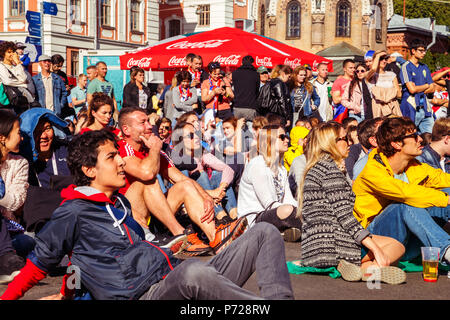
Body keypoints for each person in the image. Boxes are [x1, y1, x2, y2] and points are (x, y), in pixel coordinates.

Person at [0, 129, 294, 300]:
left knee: (264, 233)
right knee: (193, 272)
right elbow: (41, 265)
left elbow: (80, 262)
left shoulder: (120, 207)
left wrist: (66, 293)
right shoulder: (72, 211)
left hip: (171, 276)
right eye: (112, 157)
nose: (121, 161)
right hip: (145, 294)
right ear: (90, 171)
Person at [117, 107, 247, 256]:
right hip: (131, 217)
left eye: (148, 121)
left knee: (186, 185)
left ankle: (216, 237)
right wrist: (155, 149)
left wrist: (206, 196)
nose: (149, 126)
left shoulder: (153, 150)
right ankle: (181, 236)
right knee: (147, 181)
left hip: (156, 215)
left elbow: (180, 178)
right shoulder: (122, 148)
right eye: (143, 122)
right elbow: (146, 173)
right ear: (126, 130)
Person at [298, 121, 406, 284]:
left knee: (390, 258)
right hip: (334, 246)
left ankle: (365, 269)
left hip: (313, 249)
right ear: (330, 143)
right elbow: (346, 218)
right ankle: (371, 270)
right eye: (344, 138)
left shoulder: (315, 169)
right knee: (396, 247)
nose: (349, 142)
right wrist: (375, 249)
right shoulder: (330, 171)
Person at [353, 116, 450, 266]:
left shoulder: (413, 166)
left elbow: (441, 178)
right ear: (397, 144)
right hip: (375, 240)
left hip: (408, 239)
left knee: (447, 192)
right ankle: (447, 251)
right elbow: (406, 193)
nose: (421, 139)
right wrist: (446, 199)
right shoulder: (372, 171)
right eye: (414, 136)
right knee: (404, 205)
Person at [237, 124, 301, 242]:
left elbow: (289, 199)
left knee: (300, 208)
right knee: (288, 210)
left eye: (287, 136)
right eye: (282, 137)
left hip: (274, 215)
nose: (287, 140)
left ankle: (288, 231)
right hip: (253, 220)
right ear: (269, 141)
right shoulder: (258, 165)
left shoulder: (281, 169)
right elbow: (269, 204)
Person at [19, 108, 72, 233]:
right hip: (38, 225)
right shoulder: (22, 161)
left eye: (47, 128)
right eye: (37, 132)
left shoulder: (66, 151)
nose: (44, 136)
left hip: (69, 216)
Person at [172, 122, 237, 221]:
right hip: (186, 204)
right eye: (191, 136)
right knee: (201, 174)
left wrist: (220, 189)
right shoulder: (177, 159)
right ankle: (221, 216)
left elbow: (227, 169)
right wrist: (211, 193)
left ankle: (234, 215)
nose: (197, 138)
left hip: (207, 195)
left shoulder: (201, 153)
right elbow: (184, 191)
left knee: (219, 176)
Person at [0, 110, 35, 259]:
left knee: (26, 242)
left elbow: (16, 201)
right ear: (2, 138)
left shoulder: (20, 163)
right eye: (18, 133)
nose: (21, 138)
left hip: (8, 229)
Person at [400, 39, 435, 134]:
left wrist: (418, 88)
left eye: (425, 51)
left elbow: (432, 87)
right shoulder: (406, 66)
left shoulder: (425, 67)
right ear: (413, 51)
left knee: (430, 138)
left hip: (425, 108)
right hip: (411, 107)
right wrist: (426, 86)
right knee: (410, 136)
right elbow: (411, 90)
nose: (423, 53)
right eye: (421, 50)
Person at [0, 41, 36, 114]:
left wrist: (18, 63)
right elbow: (7, 81)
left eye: (13, 52)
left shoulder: (16, 67)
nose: (12, 54)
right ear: (3, 54)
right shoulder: (1, 66)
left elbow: (24, 78)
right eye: (9, 52)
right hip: (6, 103)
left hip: (17, 102)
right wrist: (22, 84)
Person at [366, 51, 402, 118]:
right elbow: (373, 69)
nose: (384, 61)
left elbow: (399, 94)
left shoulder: (392, 74)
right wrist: (378, 55)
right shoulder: (370, 75)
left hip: (393, 106)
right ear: (375, 60)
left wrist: (382, 93)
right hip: (378, 107)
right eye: (381, 59)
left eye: (385, 59)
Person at [232, 55, 260, 127]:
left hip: (237, 106)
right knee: (251, 132)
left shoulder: (235, 73)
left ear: (242, 63)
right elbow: (257, 91)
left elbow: (235, 87)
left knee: (238, 130)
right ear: (252, 63)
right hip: (250, 107)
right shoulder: (256, 74)